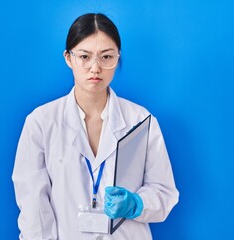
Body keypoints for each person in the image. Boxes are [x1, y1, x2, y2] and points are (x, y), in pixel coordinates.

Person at [12, 13, 179, 240]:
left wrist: (136, 204)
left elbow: (164, 192)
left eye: (106, 57)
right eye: (84, 56)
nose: (95, 67)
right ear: (68, 58)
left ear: (118, 58)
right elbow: (33, 208)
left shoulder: (141, 120)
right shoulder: (41, 123)